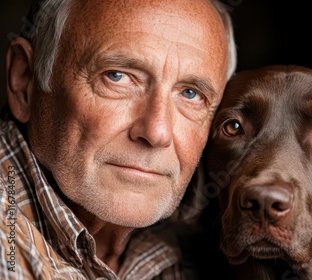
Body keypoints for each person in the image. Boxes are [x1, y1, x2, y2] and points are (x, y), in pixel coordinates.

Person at [0, 0, 237, 278]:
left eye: (190, 94)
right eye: (118, 76)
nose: (157, 132)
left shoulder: (206, 249)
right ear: (24, 81)